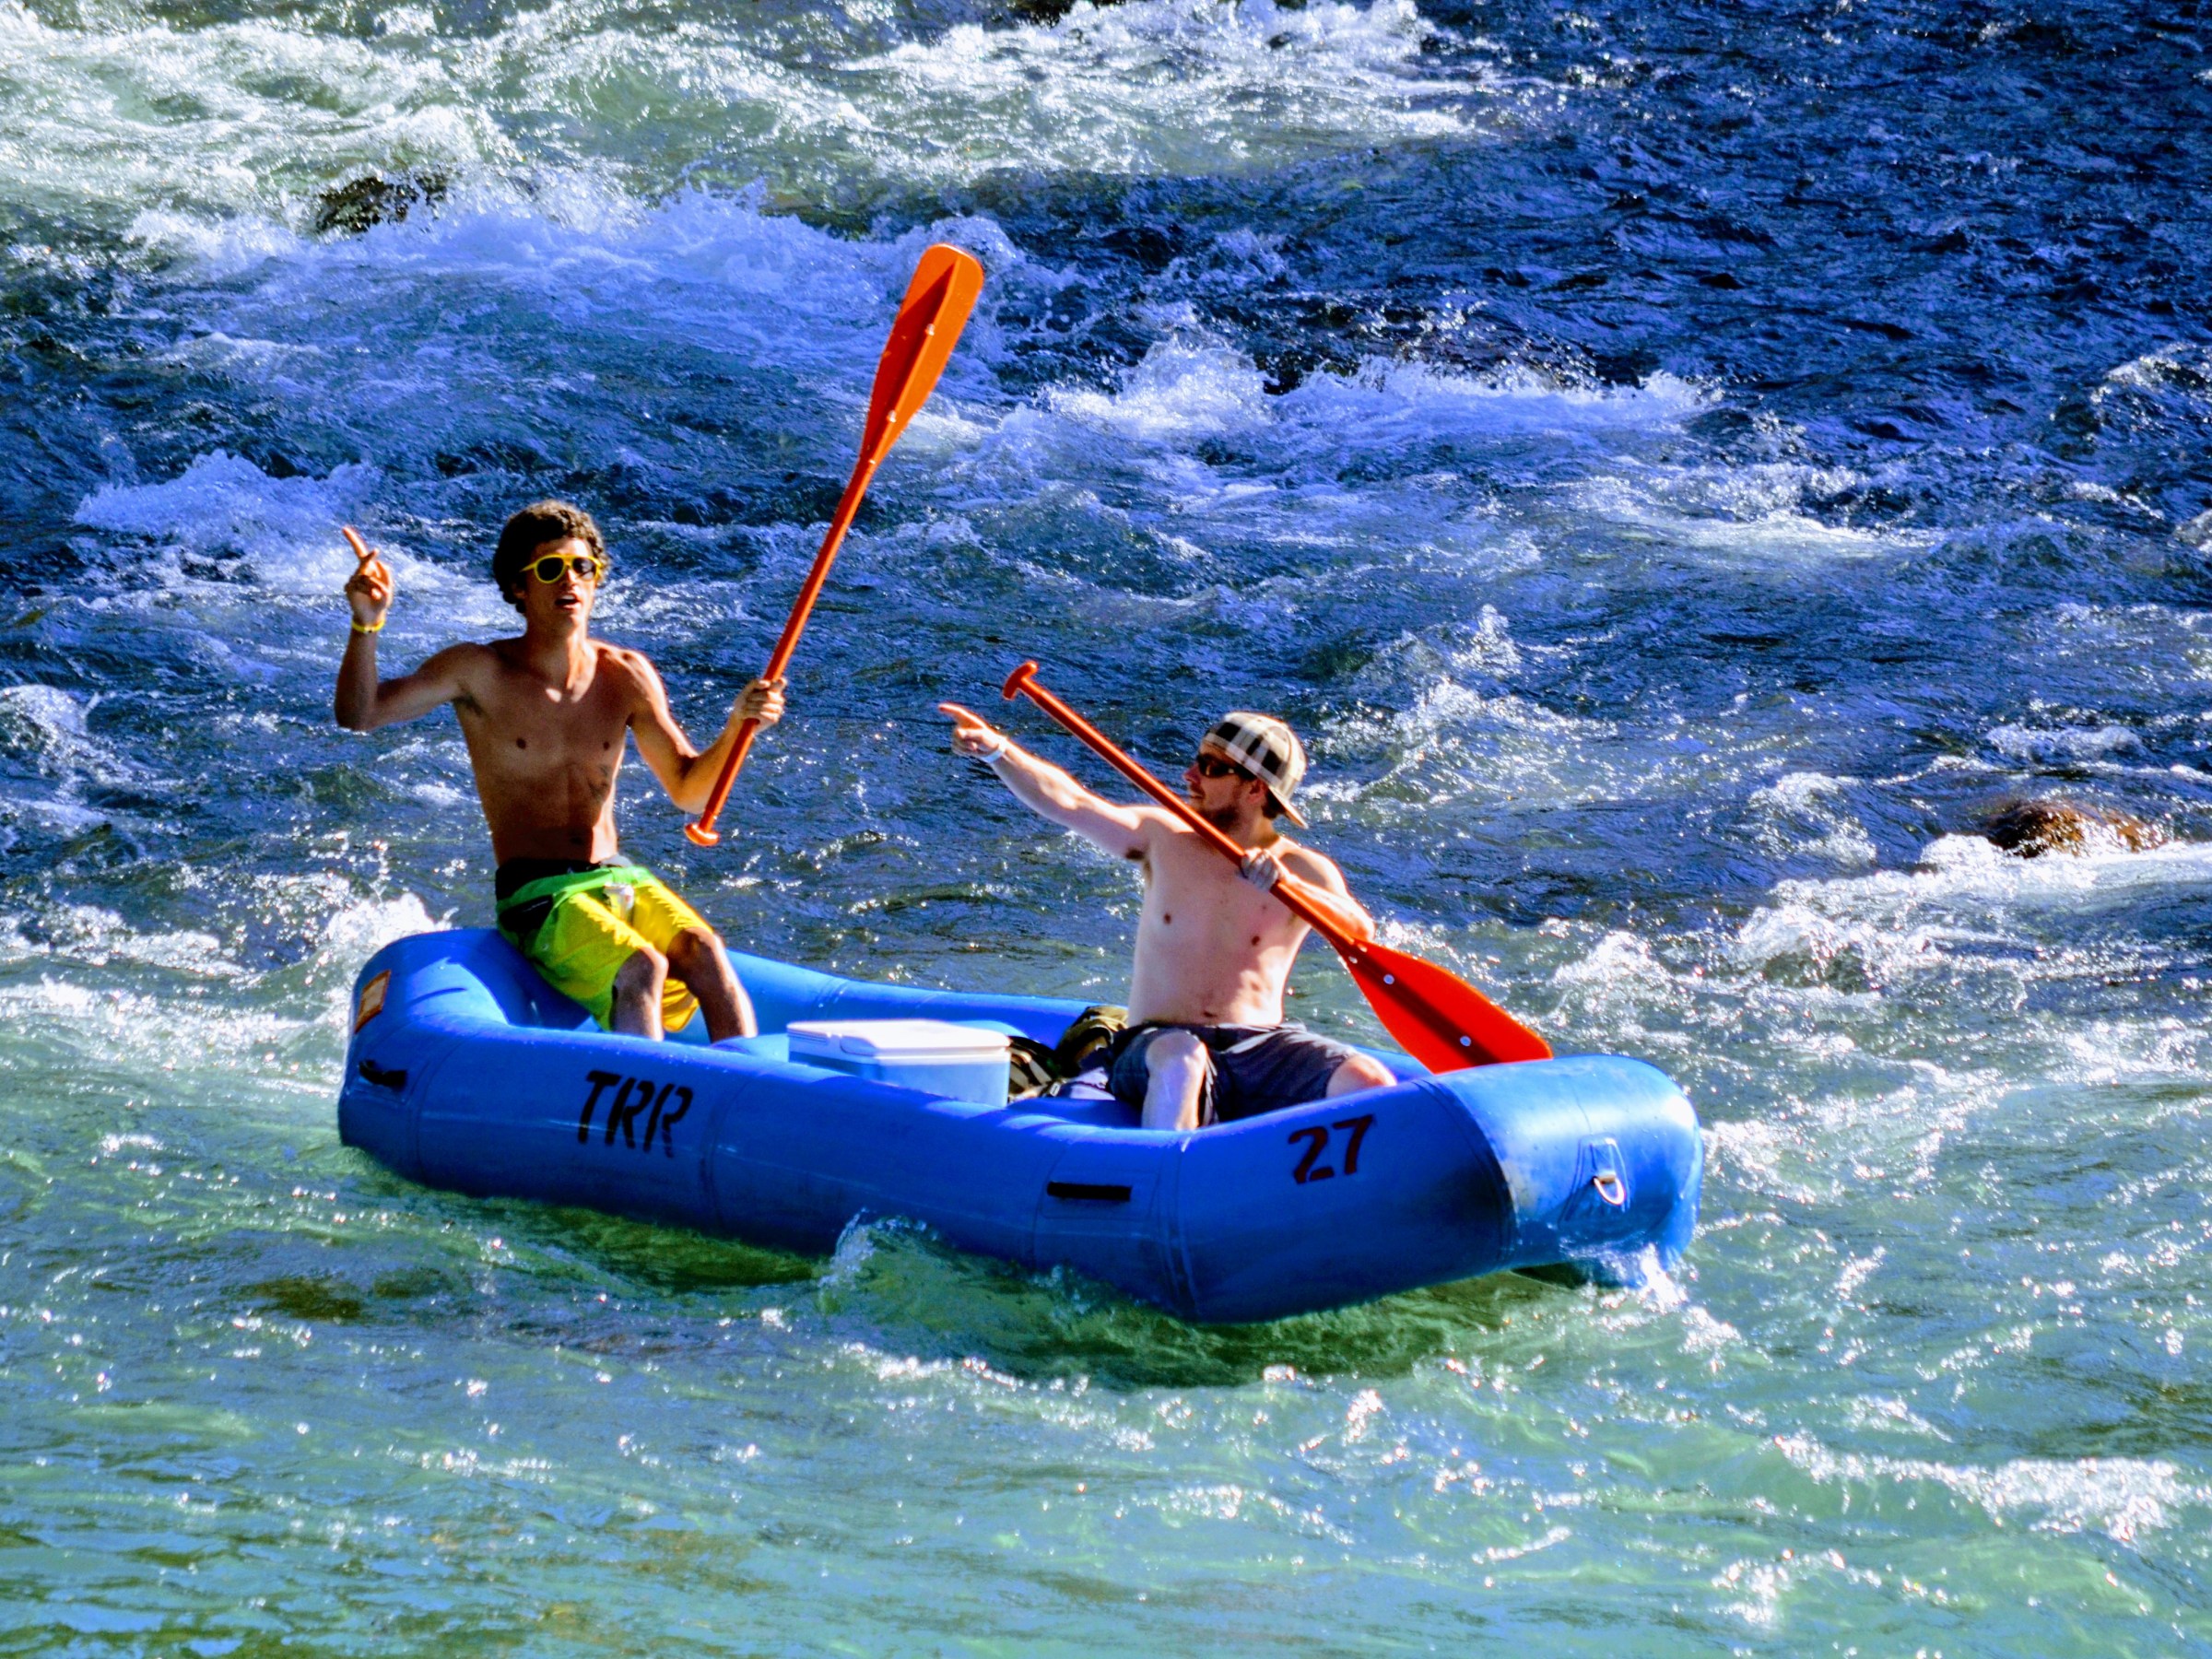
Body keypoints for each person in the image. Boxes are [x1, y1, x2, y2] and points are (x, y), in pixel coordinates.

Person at [335, 500, 785, 1041]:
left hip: (615, 874)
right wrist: (367, 624)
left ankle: (745, 1089)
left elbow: (690, 790)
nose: (569, 579)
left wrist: (740, 727)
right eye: (550, 569)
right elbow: (360, 715)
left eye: (582, 567)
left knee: (707, 953)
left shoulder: (628, 675)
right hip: (536, 897)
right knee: (641, 968)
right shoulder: (479, 672)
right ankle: (638, 1105)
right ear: (519, 589)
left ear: (596, 580)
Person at [937, 700, 1394, 1129]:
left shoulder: (1303, 868)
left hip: (1260, 1044)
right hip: (1156, 1042)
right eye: (1198, 759)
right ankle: (1157, 1182)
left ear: (1256, 789)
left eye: (1212, 768)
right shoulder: (1164, 838)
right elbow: (1072, 804)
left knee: (1368, 1080)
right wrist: (999, 750)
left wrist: (1287, 887)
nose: (1190, 774)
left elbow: (1358, 931)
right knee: (1182, 1058)